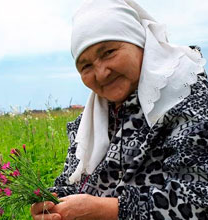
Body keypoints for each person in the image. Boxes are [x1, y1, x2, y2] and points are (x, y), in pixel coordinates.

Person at [31, 0, 208, 219]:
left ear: (139, 42)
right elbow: (72, 182)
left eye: (108, 52)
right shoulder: (89, 122)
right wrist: (53, 204)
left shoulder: (186, 98)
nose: (101, 73)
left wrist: (107, 210)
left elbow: (198, 202)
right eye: (86, 66)